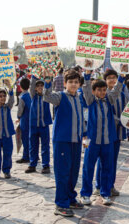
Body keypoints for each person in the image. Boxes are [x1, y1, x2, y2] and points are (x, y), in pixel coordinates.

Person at [43, 69, 86, 217]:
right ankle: (61, 204)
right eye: (71, 82)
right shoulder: (59, 97)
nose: (73, 85)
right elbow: (47, 96)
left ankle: (70, 198)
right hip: (62, 141)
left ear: (79, 83)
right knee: (62, 173)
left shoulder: (79, 98)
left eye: (76, 82)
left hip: (77, 140)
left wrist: (85, 135)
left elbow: (81, 118)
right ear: (65, 83)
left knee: (73, 172)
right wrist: (48, 82)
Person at [80, 70, 124, 206]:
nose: (102, 92)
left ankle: (105, 194)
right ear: (93, 91)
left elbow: (116, 90)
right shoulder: (90, 101)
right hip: (90, 141)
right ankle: (85, 194)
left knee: (107, 167)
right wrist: (87, 76)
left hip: (107, 141)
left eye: (104, 90)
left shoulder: (109, 101)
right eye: (99, 90)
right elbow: (86, 88)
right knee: (88, 167)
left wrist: (121, 77)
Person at [94, 70, 129, 197]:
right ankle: (99, 186)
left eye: (115, 78)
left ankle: (110, 185)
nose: (112, 80)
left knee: (113, 160)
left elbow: (128, 107)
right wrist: (119, 120)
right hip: (106, 132)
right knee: (103, 160)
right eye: (109, 78)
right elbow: (105, 113)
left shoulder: (122, 91)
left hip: (118, 132)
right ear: (105, 80)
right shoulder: (104, 93)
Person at [25, 75, 52, 174]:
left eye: (42, 85)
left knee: (45, 146)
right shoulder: (33, 96)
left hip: (44, 125)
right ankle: (32, 164)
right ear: (35, 88)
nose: (40, 87)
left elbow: (49, 89)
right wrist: (34, 75)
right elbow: (32, 85)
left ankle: (46, 165)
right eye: (38, 86)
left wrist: (48, 82)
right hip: (33, 125)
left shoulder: (46, 97)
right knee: (33, 145)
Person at [16, 78, 32, 164]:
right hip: (31, 119)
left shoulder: (22, 97)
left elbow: (20, 110)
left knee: (25, 139)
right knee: (31, 139)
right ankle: (33, 155)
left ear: (20, 86)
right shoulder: (30, 95)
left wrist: (18, 117)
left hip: (24, 120)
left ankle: (26, 156)